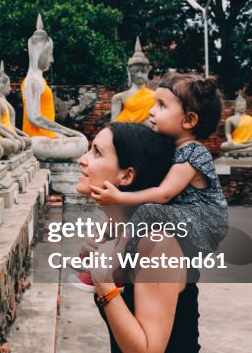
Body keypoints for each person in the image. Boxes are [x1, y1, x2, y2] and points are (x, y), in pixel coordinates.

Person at [77, 123, 232, 353]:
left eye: (97, 152)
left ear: (127, 176)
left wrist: (104, 285)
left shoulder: (157, 241)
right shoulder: (118, 232)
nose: (82, 160)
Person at [89, 73, 229, 260]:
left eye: (161, 105)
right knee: (134, 212)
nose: (151, 111)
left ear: (188, 120)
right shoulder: (170, 148)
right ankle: (99, 251)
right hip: (181, 218)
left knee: (148, 210)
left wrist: (120, 196)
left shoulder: (193, 152)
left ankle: (118, 263)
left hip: (203, 224)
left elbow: (164, 194)